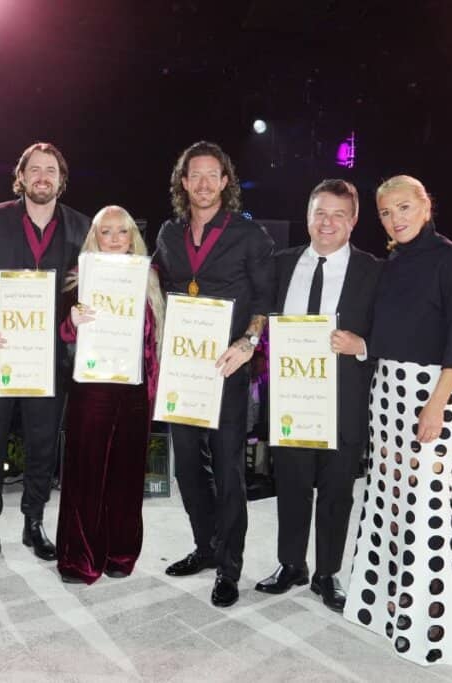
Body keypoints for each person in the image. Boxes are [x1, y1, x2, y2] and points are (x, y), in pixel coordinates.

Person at [344, 175, 452, 666]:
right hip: (389, 389)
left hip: (432, 391)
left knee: (426, 502)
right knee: (390, 497)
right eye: (386, 212)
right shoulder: (394, 264)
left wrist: (437, 403)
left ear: (426, 204)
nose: (396, 218)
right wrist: (359, 346)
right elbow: (391, 333)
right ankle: (396, 601)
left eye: (404, 207)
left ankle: (431, 620)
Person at [152, 141, 274, 607]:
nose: (203, 184)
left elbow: (263, 302)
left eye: (212, 175)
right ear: (183, 182)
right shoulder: (167, 233)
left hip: (228, 366)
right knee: (186, 466)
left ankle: (230, 566)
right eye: (194, 175)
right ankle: (205, 547)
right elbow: (154, 289)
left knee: (227, 470)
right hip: (183, 369)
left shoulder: (251, 236)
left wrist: (248, 344)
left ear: (226, 181)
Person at [0, 142, 90, 570]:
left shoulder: (80, 227)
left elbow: (87, 291)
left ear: (61, 179)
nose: (42, 176)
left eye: (50, 169)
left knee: (42, 448)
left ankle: (33, 523)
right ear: (21, 176)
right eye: (34, 169)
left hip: (49, 361)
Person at [254, 179, 382, 611]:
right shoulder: (281, 264)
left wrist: (362, 346)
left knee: (336, 492)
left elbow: (392, 333)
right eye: (320, 213)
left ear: (353, 221)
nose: (327, 223)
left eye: (338, 215)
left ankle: (327, 573)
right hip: (292, 399)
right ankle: (291, 564)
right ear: (308, 216)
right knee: (289, 486)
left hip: (342, 403)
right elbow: (258, 316)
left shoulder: (373, 270)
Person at [55, 206, 164, 584]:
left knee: (127, 474)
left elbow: (154, 341)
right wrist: (72, 320)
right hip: (93, 388)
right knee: (87, 472)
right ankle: (80, 557)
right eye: (107, 232)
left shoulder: (148, 278)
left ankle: (121, 551)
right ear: (94, 237)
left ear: (133, 236)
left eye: (123, 231)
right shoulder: (79, 277)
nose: (116, 239)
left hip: (134, 390)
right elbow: (62, 332)